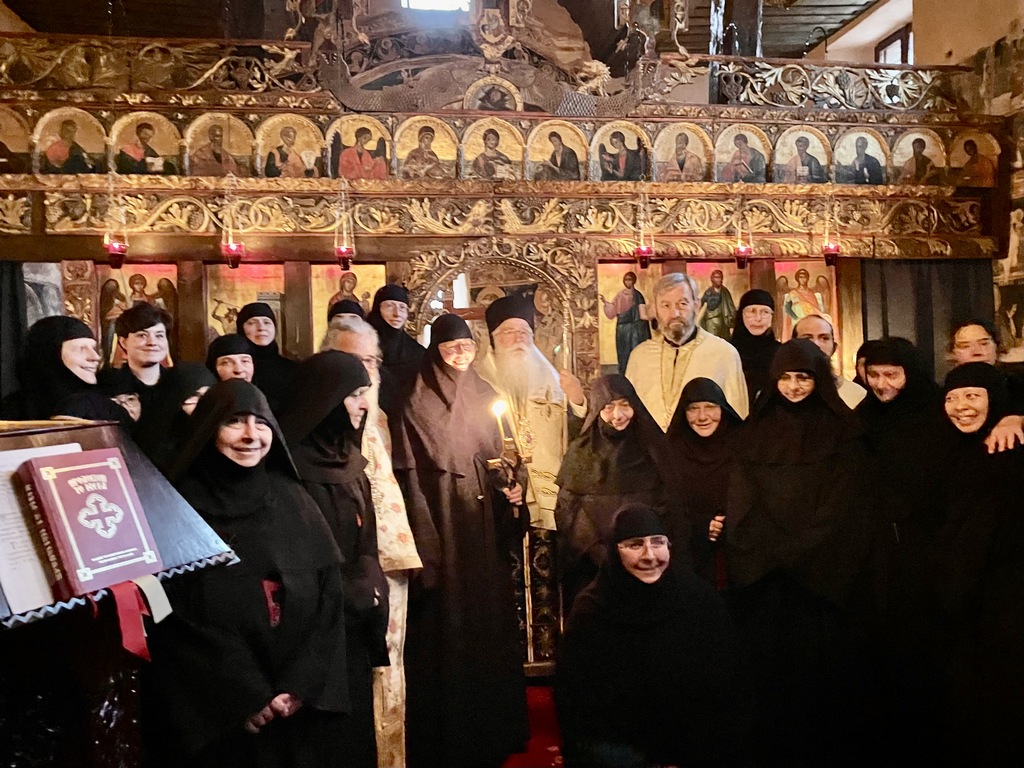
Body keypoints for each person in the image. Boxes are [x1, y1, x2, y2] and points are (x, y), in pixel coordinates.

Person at [145, 380, 348, 768]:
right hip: (219, 713)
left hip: (295, 709)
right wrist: (245, 695)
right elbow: (172, 616)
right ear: (208, 429)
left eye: (260, 422)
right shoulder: (178, 505)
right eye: (235, 422)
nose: (251, 436)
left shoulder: (292, 497)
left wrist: (300, 684)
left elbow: (328, 595)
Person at [391, 314, 529, 768]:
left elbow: (502, 455)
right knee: (447, 626)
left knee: (485, 621)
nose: (459, 355)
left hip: (482, 528)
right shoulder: (415, 396)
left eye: (466, 348)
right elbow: (413, 468)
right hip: (443, 524)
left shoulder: (485, 393)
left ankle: (493, 724)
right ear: (436, 348)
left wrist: (512, 483)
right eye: (451, 347)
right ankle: (448, 733)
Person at [726, 339, 872, 766]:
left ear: (818, 380)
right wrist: (767, 552)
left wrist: (799, 551)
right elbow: (741, 499)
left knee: (822, 676)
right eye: (786, 378)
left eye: (803, 377)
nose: (793, 386)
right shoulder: (754, 431)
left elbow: (843, 504)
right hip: (766, 577)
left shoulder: (844, 431)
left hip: (822, 577)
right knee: (769, 676)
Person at [556, 504, 743, 768]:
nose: (650, 556)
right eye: (634, 545)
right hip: (620, 749)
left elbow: (725, 685)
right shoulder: (592, 611)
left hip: (691, 746)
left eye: (658, 543)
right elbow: (578, 702)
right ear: (614, 551)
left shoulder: (699, 600)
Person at [277, 352, 390, 768]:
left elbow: (367, 544)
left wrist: (371, 592)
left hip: (353, 630)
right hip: (309, 640)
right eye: (354, 395)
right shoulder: (288, 471)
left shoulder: (350, 462)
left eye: (366, 394)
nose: (363, 405)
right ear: (325, 399)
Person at [322, 317, 422, 768]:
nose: (367, 372)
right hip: (342, 573)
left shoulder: (378, 416)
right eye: (355, 360)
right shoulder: (316, 424)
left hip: (389, 563)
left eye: (372, 360)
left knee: (390, 666)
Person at [929, 363, 1024, 765]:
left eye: (973, 396)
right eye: (951, 398)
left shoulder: (1012, 449)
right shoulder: (944, 452)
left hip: (1009, 607)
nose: (961, 407)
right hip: (961, 611)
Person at [554, 375, 679, 611]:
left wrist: (640, 551)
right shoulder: (580, 452)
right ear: (597, 410)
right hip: (595, 570)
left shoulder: (654, 448)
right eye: (608, 407)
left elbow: (669, 505)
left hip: (649, 565)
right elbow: (569, 514)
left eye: (624, 405)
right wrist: (607, 556)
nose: (618, 415)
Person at [476, 295, 587, 532]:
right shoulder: (479, 381)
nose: (518, 339)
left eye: (524, 332)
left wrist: (577, 399)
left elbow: (578, 436)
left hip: (551, 493)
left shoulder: (553, 380)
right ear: (493, 339)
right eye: (508, 332)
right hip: (504, 494)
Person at [626, 272, 749, 429]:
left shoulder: (723, 354)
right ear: (654, 310)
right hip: (651, 452)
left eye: (682, 304)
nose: (675, 313)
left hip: (705, 451)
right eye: (665, 305)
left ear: (696, 306)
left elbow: (738, 418)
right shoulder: (640, 357)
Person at [665, 377, 743, 588]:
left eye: (710, 407)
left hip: (739, 554)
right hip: (688, 558)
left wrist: (730, 522)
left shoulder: (743, 444)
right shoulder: (670, 451)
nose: (702, 417)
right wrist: (701, 526)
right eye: (693, 409)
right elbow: (665, 505)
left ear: (723, 409)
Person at [3, 315, 131, 425]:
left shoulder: (107, 410)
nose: (95, 357)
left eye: (93, 348)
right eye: (80, 348)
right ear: (50, 354)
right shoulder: (10, 412)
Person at [98, 303, 181, 460]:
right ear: (123, 342)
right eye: (142, 335)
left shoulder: (179, 383)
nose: (152, 342)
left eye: (159, 335)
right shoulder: (107, 383)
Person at [794, 313, 866, 408]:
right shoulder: (780, 392)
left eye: (824, 338)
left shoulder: (855, 394)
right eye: (807, 338)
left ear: (834, 348)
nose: (816, 344)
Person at [236, 302, 296, 412]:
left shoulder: (292, 369)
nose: (261, 328)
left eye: (267, 322)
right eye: (252, 323)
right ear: (241, 328)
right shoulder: (236, 368)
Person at [366, 284, 424, 392]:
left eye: (402, 308)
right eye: (390, 306)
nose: (397, 314)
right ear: (378, 309)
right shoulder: (361, 346)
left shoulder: (417, 352)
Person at [729, 289, 780, 409]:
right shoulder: (727, 350)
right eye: (752, 311)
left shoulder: (781, 352)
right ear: (741, 314)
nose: (758, 318)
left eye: (765, 312)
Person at [600, 271, 651, 375]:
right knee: (623, 355)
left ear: (634, 281)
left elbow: (642, 314)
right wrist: (605, 303)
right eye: (626, 280)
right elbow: (613, 310)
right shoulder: (620, 295)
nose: (628, 282)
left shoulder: (638, 295)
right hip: (622, 329)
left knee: (634, 354)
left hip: (634, 330)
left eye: (630, 280)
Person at [697, 269, 737, 340]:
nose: (718, 279)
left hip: (724, 321)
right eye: (716, 277)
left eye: (720, 277)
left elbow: (730, 306)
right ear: (712, 279)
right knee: (712, 340)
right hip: (712, 321)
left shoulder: (725, 292)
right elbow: (701, 305)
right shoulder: (708, 292)